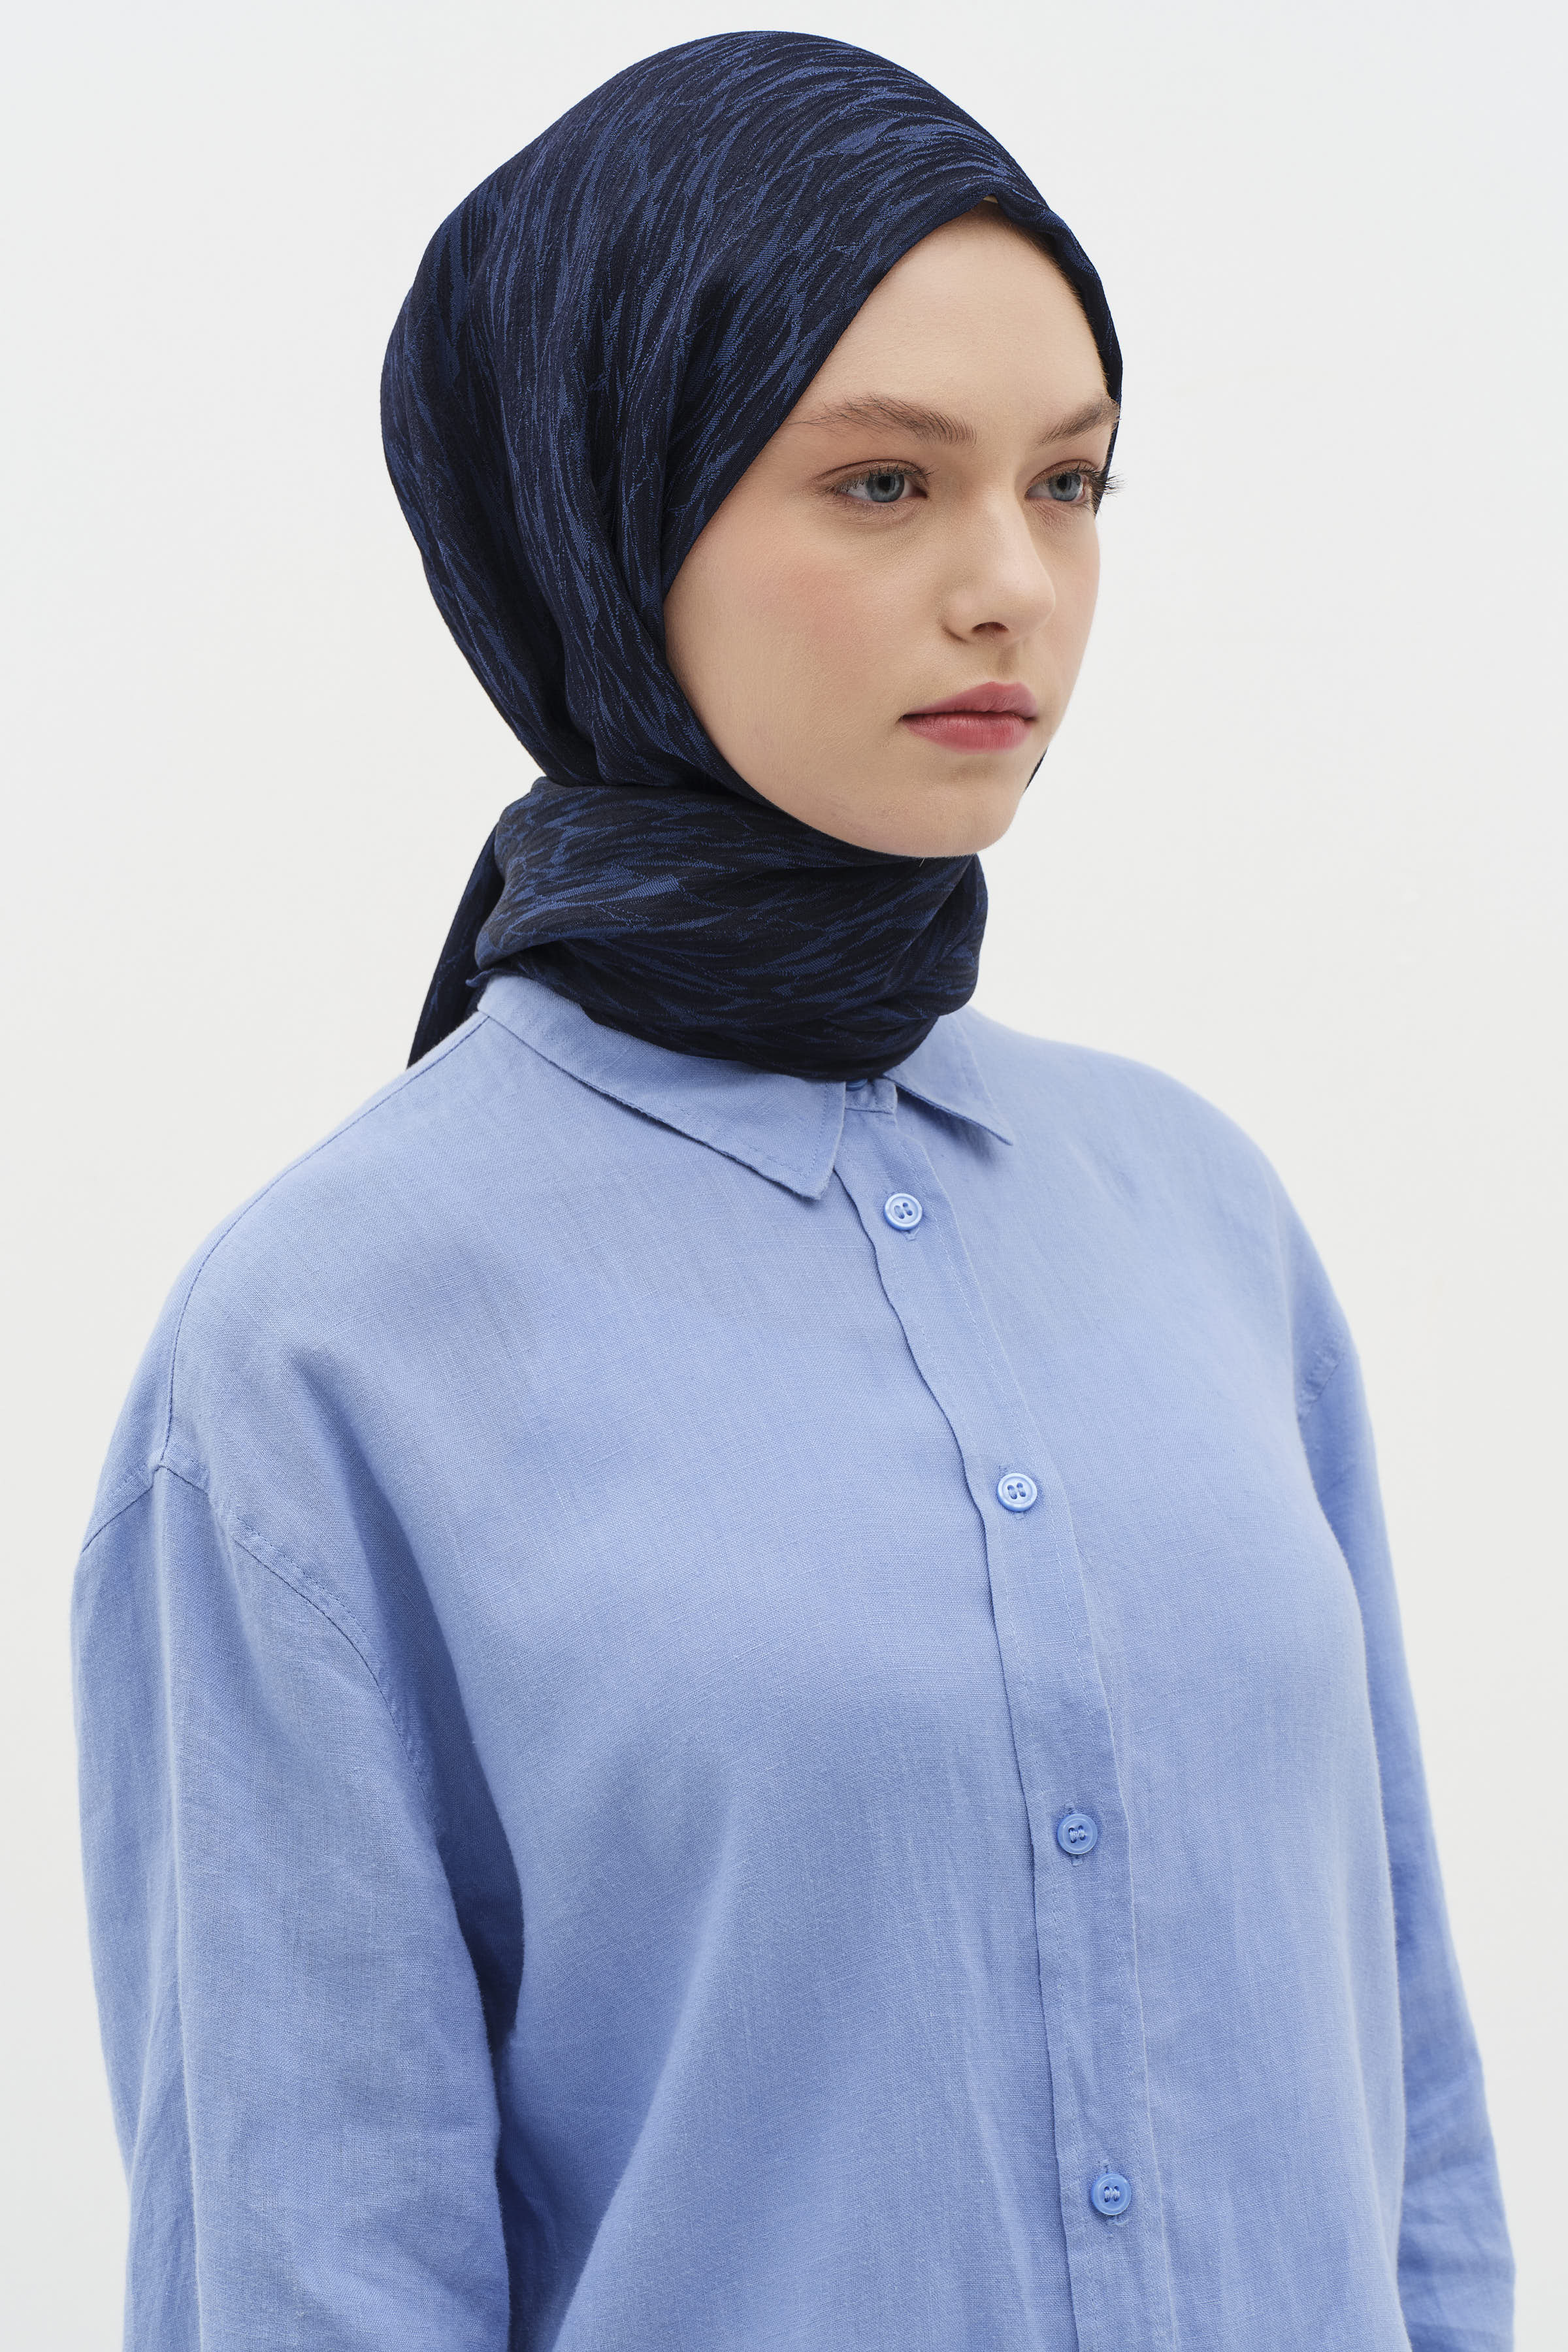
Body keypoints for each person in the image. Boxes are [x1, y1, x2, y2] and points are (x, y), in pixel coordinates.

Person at [72, 29, 1512, 2352]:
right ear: (610, 505)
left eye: (1071, 482)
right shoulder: (324, 1349)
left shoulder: (1204, 1223)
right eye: (881, 482)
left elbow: (1413, 2099)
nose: (1011, 585)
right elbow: (315, 2276)